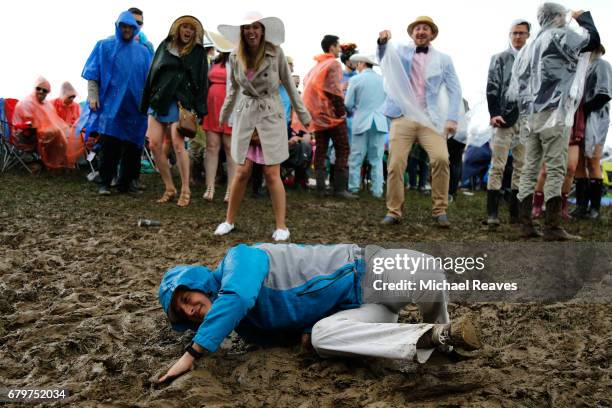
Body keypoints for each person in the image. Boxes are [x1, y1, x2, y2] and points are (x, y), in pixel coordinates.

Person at [156, 243, 482, 383]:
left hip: (370, 270)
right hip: (365, 313)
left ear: (198, 282)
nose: (189, 310)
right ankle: (432, 337)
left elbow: (238, 296)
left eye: (186, 297)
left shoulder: (238, 258)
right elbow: (289, 339)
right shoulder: (247, 328)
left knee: (429, 271)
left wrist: (193, 353)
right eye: (182, 314)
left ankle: (446, 336)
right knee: (322, 337)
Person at [214, 12, 312, 241]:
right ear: (242, 31)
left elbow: (289, 83)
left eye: (256, 27)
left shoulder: (276, 53)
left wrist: (303, 114)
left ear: (263, 30)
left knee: (271, 172)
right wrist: (223, 114)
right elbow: (233, 89)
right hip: (246, 114)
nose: (251, 31)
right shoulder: (235, 56)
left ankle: (281, 226)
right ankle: (228, 221)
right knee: (241, 172)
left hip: (270, 114)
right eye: (247, 27)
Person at [511, 3, 600, 240]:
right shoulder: (561, 37)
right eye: (562, 15)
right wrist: (584, 19)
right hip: (555, 113)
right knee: (556, 167)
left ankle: (525, 224)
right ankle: (552, 226)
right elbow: (592, 41)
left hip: (532, 115)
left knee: (530, 167)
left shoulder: (529, 47)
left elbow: (519, 82)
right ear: (557, 17)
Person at [377, 16, 462, 228]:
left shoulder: (444, 59)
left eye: (426, 28)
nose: (421, 31)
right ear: (411, 33)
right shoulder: (399, 52)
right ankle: (394, 211)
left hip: (430, 119)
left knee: (441, 159)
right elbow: (383, 58)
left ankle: (440, 210)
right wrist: (382, 43)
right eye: (417, 28)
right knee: (395, 164)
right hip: (402, 116)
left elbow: (455, 89)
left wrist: (452, 118)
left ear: (432, 34)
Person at [140, 16, 208, 207]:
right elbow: (152, 72)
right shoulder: (165, 46)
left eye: (191, 29)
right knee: (153, 144)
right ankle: (169, 187)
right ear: (178, 29)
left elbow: (202, 81)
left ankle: (186, 188)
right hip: (159, 99)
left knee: (178, 144)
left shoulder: (198, 52)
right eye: (185, 27)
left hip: (181, 103)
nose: (188, 31)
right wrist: (145, 102)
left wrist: (200, 109)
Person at [82, 11, 152, 195]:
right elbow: (93, 74)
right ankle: (105, 182)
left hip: (135, 109)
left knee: (133, 147)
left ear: (135, 29)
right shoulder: (104, 46)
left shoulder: (144, 52)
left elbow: (150, 81)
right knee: (109, 146)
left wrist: (150, 105)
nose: (127, 30)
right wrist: (93, 96)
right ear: (118, 26)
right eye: (124, 26)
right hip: (111, 108)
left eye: (131, 27)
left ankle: (126, 184)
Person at [485, 20, 530, 226]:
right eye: (514, 33)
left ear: (528, 35)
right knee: (498, 165)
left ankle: (515, 214)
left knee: (522, 166)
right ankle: (492, 214)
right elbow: (492, 86)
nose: (518, 36)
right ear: (509, 35)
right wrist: (494, 113)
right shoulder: (499, 59)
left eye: (521, 33)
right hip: (504, 118)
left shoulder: (534, 58)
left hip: (527, 119)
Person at [303, 35, 356, 199]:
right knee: (343, 148)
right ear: (332, 47)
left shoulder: (317, 65)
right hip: (332, 115)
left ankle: (320, 188)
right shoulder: (333, 63)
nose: (340, 48)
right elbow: (334, 91)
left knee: (321, 149)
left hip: (317, 115)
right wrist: (341, 112)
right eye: (338, 45)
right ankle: (339, 189)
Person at [571, 44, 611, 220]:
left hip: (596, 118)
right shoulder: (580, 70)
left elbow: (604, 94)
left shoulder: (601, 65)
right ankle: (581, 206)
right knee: (579, 163)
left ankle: (594, 208)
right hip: (578, 120)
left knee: (593, 161)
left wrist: (584, 109)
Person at [12, 77, 84, 169]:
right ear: (34, 88)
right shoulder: (26, 103)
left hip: (39, 134)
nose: (41, 91)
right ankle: (55, 164)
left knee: (61, 135)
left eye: (45, 90)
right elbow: (27, 125)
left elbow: (54, 121)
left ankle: (58, 163)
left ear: (48, 92)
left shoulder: (46, 104)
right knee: (56, 136)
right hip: (25, 136)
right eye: (39, 88)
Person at [345, 54, 388, 198]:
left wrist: (353, 109)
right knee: (377, 158)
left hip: (361, 120)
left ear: (362, 64)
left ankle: (354, 187)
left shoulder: (356, 79)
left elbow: (348, 104)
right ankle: (377, 191)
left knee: (356, 157)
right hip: (380, 121)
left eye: (358, 63)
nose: (356, 65)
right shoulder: (383, 80)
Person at [202, 31, 235, 202]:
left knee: (229, 148)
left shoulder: (237, 61)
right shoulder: (214, 60)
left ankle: (230, 189)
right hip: (212, 107)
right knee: (211, 147)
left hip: (229, 108)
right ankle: (210, 186)